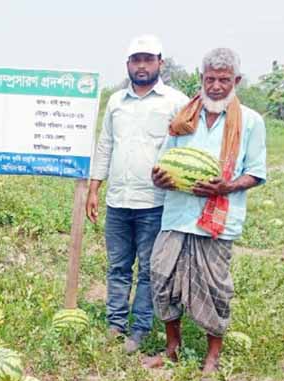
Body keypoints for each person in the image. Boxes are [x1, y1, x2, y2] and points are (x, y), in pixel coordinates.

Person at [145, 48, 267, 375]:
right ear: (201, 78)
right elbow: (163, 162)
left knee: (215, 288)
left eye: (223, 80)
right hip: (177, 215)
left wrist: (226, 186)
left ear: (236, 81)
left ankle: (212, 356)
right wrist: (159, 177)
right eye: (210, 79)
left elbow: (256, 172)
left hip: (218, 219)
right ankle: (172, 348)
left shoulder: (251, 122)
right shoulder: (184, 118)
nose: (215, 86)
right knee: (161, 277)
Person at [87, 35, 189, 353]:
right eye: (136, 60)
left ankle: (140, 328)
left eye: (148, 59)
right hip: (118, 200)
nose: (142, 66)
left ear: (160, 62)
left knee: (148, 269)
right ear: (128, 64)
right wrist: (94, 187)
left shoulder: (176, 102)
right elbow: (106, 144)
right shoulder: (116, 102)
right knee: (117, 266)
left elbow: (188, 148)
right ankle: (116, 324)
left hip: (154, 203)